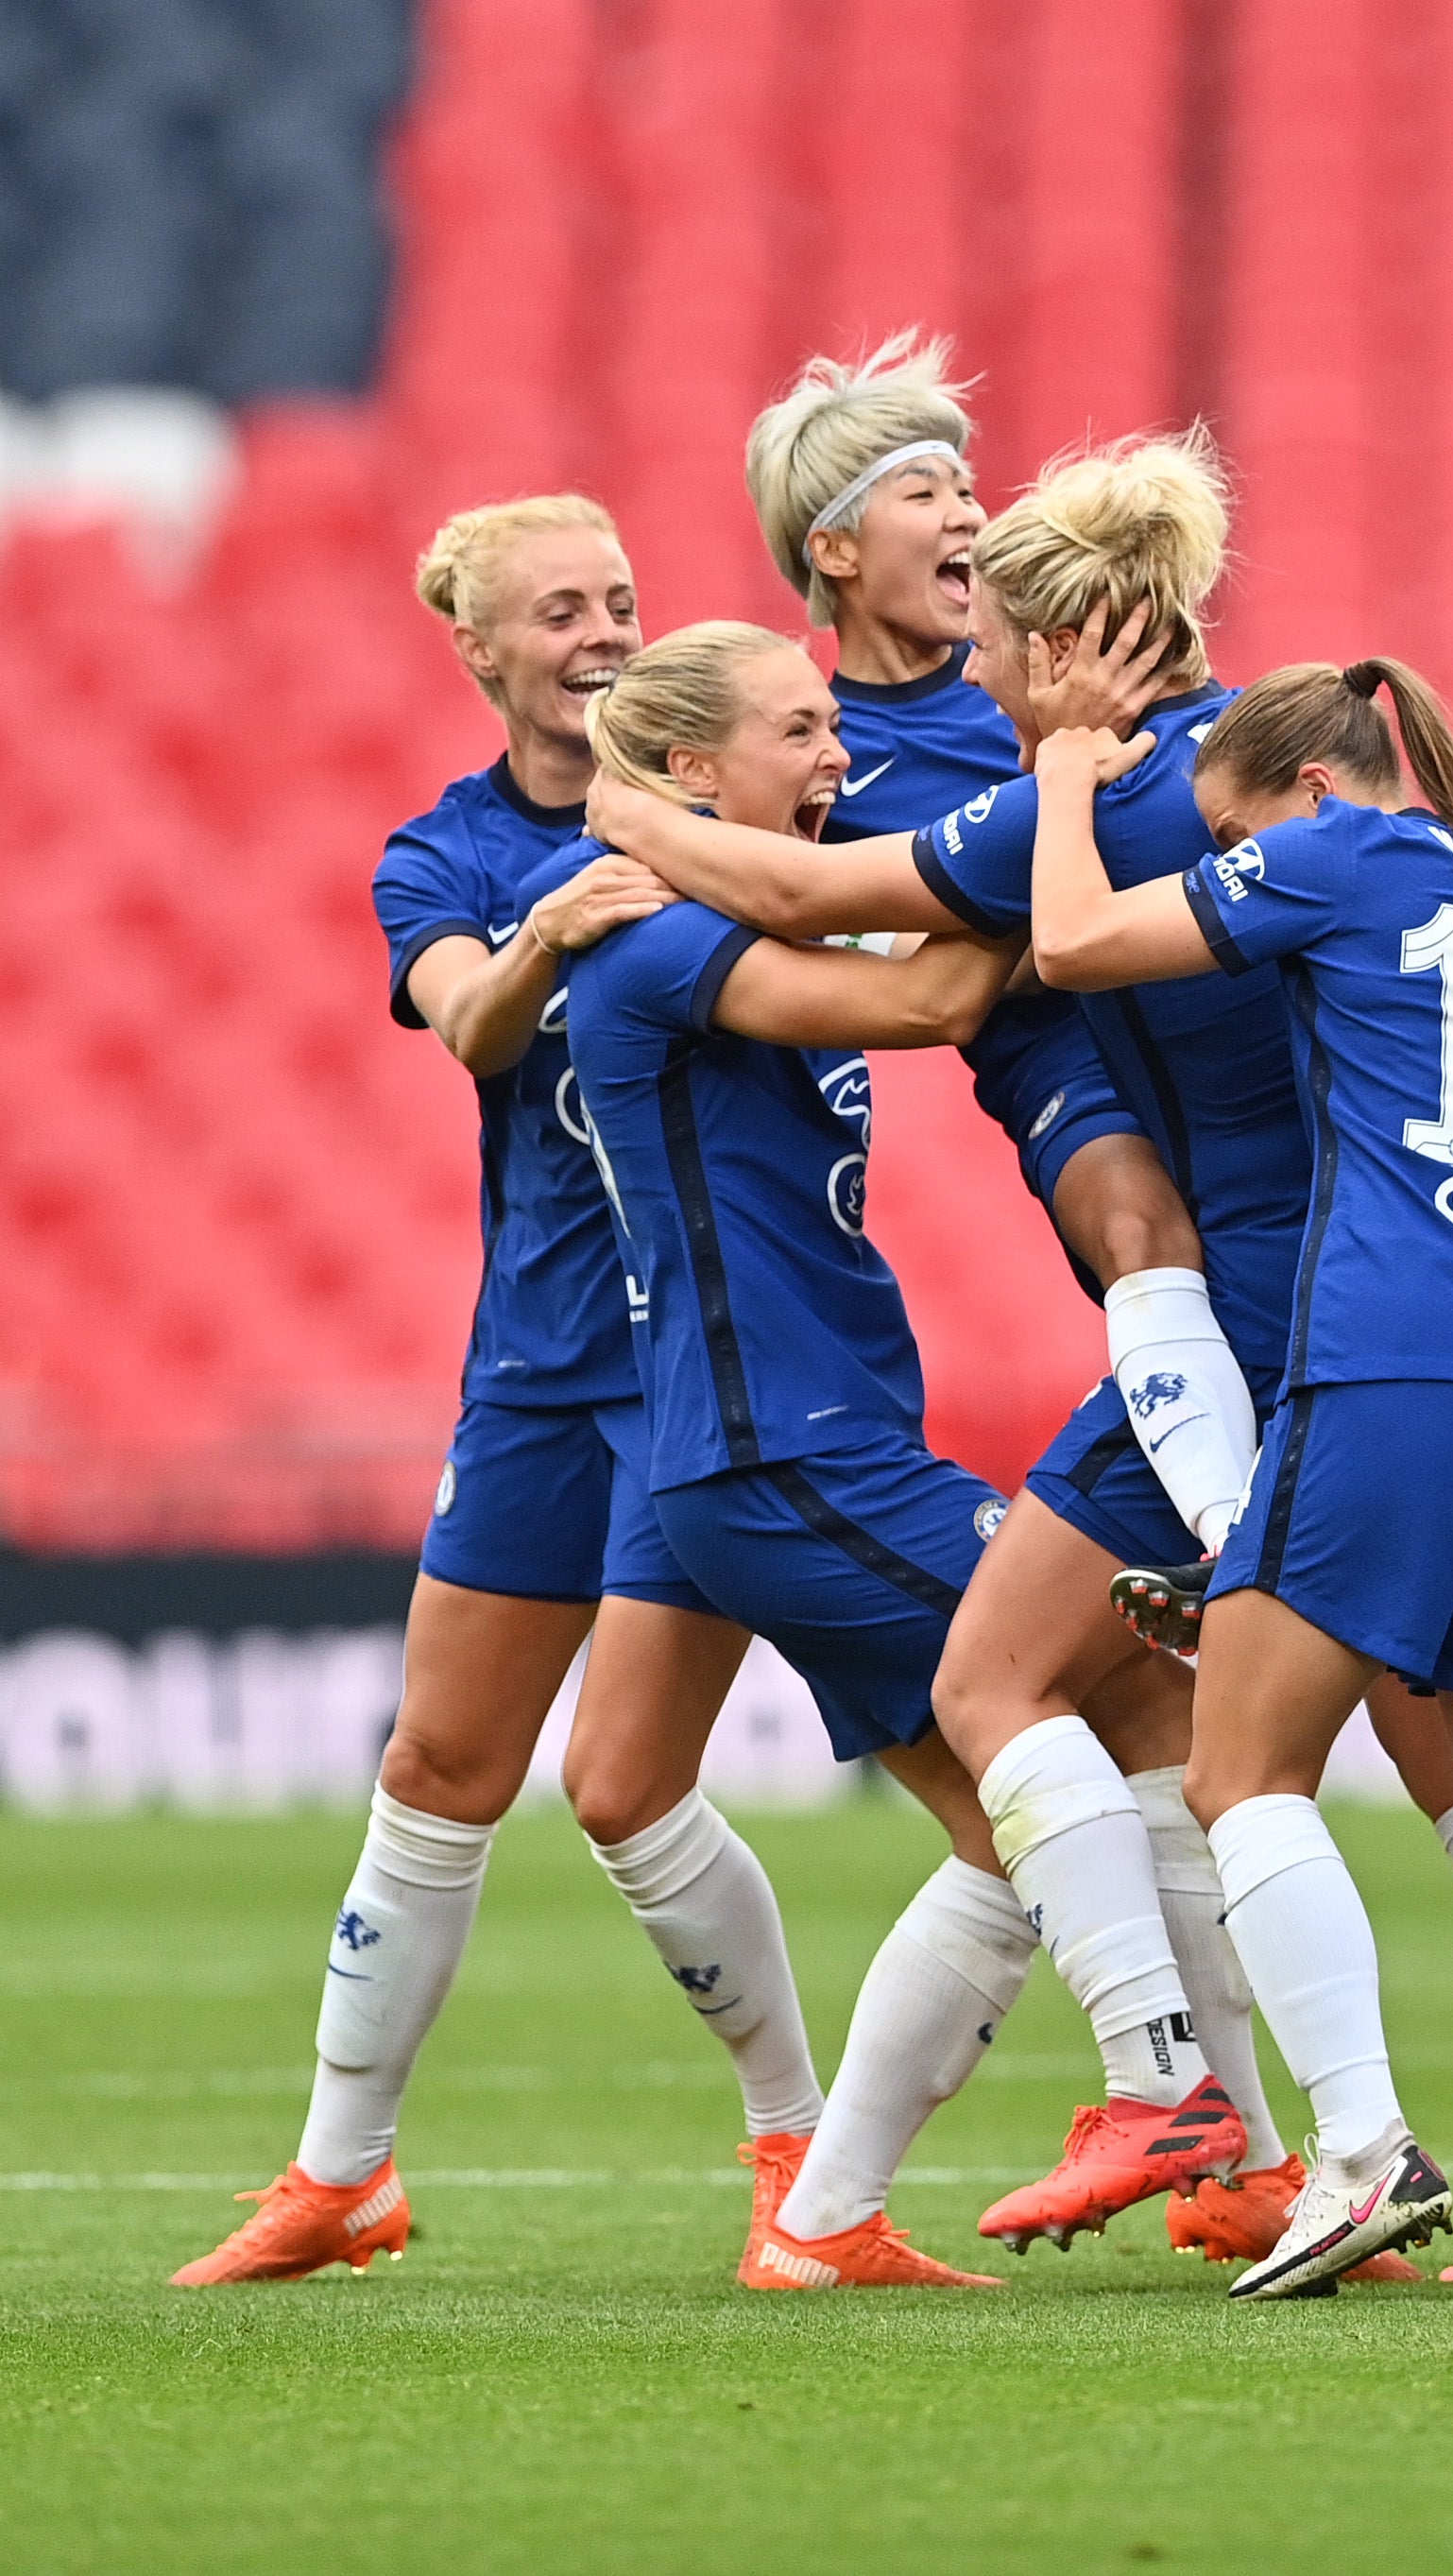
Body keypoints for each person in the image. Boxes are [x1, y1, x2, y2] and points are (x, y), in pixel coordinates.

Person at [592, 438, 1453, 2277]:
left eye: (1009, 648)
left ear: (1067, 649)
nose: (989, 681)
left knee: (1007, 1686)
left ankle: (1215, 2097)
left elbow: (830, 912)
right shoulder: (1403, 847)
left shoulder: (1105, 801)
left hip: (1289, 1314)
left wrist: (622, 819)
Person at [176, 500, 826, 2287]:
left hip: (698, 1358)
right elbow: (468, 1018)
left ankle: (797, 2149)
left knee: (625, 1786)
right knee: (441, 1760)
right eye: (560, 610)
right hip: (541, 1363)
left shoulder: (725, 808)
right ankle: (341, 2172)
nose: (604, 630)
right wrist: (555, 927)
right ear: (478, 648)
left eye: (621, 595)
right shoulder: (446, 854)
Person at [562, 620, 1254, 2291]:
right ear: (695, 775)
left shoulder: (701, 910)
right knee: (1107, 1702)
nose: (835, 758)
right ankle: (1174, 2094)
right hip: (784, 1449)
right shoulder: (661, 940)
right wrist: (1073, 813)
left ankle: (823, 2218)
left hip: (781, 1442)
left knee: (1016, 1811)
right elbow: (944, 989)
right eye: (801, 733)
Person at [732, 367, 1299, 2264]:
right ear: (835, 547)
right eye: (924, 489)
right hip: (1063, 1040)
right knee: (1132, 1224)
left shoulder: (1031, 695)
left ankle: (1193, 2135)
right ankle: (1235, 2139)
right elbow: (846, 907)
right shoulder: (852, 748)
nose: (963, 512)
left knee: (1095, 1718)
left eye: (974, 484)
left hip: (1189, 1047)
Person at [1028, 661, 1453, 2299]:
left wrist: (1072, 780)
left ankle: (1362, 2152)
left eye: (1232, 827)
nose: (1231, 851)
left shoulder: (1337, 853)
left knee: (1242, 1771)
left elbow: (1075, 946)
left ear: (1307, 791)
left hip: (1390, 1364)